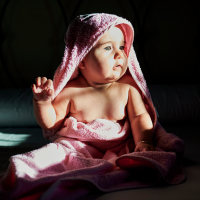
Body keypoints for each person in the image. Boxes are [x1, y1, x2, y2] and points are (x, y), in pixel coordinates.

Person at [32, 24, 154, 152]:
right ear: (81, 60)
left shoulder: (127, 88)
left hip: (118, 147)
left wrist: (143, 141)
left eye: (122, 47)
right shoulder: (70, 91)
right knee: (49, 156)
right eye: (108, 48)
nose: (119, 54)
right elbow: (51, 124)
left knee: (144, 159)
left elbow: (139, 117)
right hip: (76, 149)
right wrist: (42, 103)